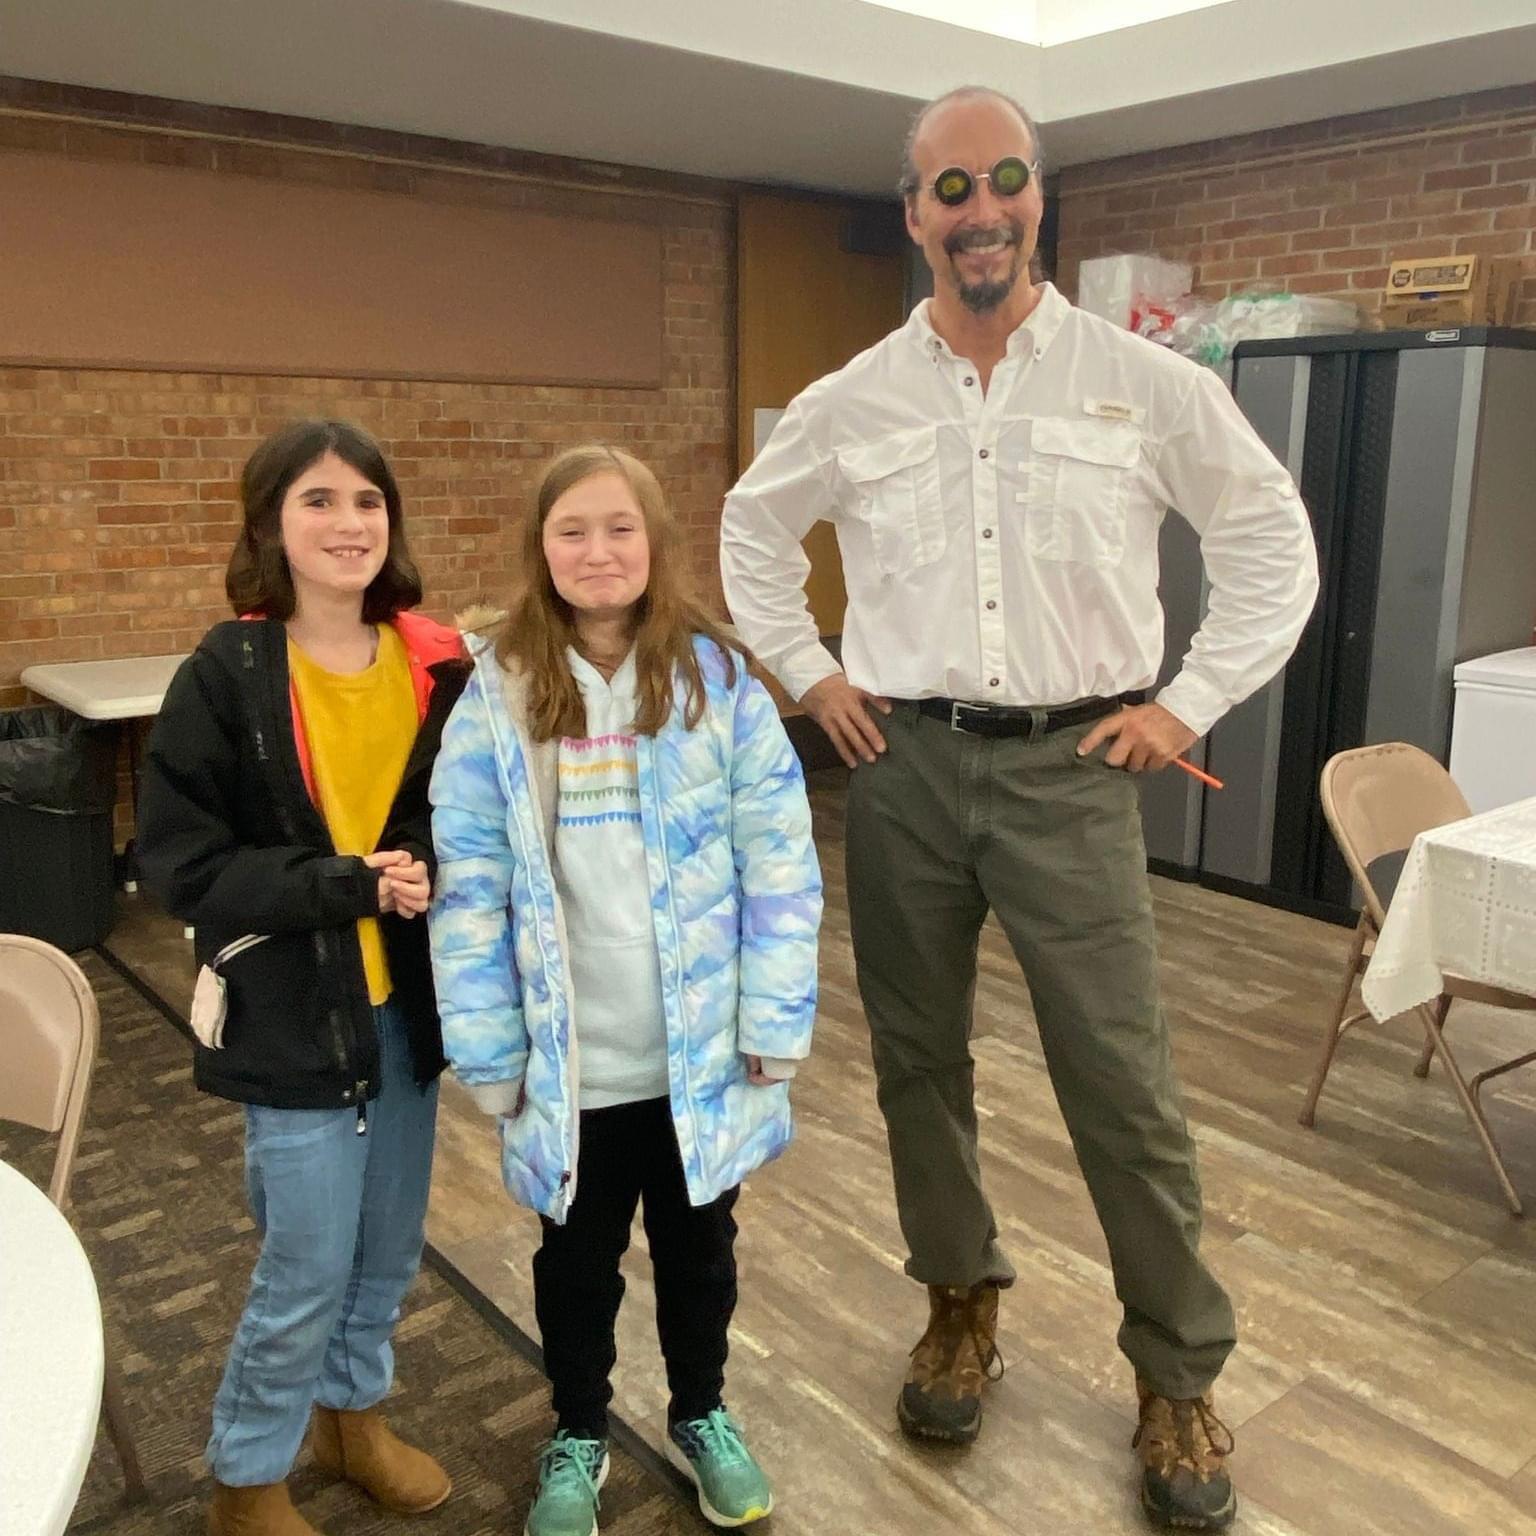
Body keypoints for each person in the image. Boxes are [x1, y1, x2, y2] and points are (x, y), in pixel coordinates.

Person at [719, 86, 1319, 1532]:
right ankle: (958, 1304)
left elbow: (1270, 541)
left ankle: (1176, 1372)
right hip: (906, 769)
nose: (980, 211)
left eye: (1005, 181)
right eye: (951, 189)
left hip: (1076, 774)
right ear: (913, 214)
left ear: (1038, 196)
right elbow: (751, 528)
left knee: (1121, 1079)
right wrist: (808, 671)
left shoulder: (1145, 384)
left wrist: (1186, 704)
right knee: (918, 1065)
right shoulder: (855, 397)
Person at [427, 444, 821, 1536]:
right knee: (575, 1263)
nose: (597, 551)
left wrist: (774, 1019)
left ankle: (701, 1412)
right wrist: (490, 1052)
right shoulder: (497, 691)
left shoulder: (717, 681)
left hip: (699, 1054)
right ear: (540, 549)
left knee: (700, 1256)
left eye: (619, 528)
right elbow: (469, 883)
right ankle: (578, 1432)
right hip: (572, 1066)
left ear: (655, 542)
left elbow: (780, 862)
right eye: (572, 531)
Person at [138, 419, 470, 1536]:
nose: (348, 523)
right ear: (270, 525)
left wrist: (424, 860)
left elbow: (450, 815)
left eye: (367, 500)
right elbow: (182, 866)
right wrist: (345, 885)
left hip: (406, 1010)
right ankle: (247, 1477)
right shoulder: (225, 675)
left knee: (388, 1247)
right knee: (308, 1261)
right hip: (290, 1017)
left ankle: (350, 1418)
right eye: (317, 500)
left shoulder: (436, 662)